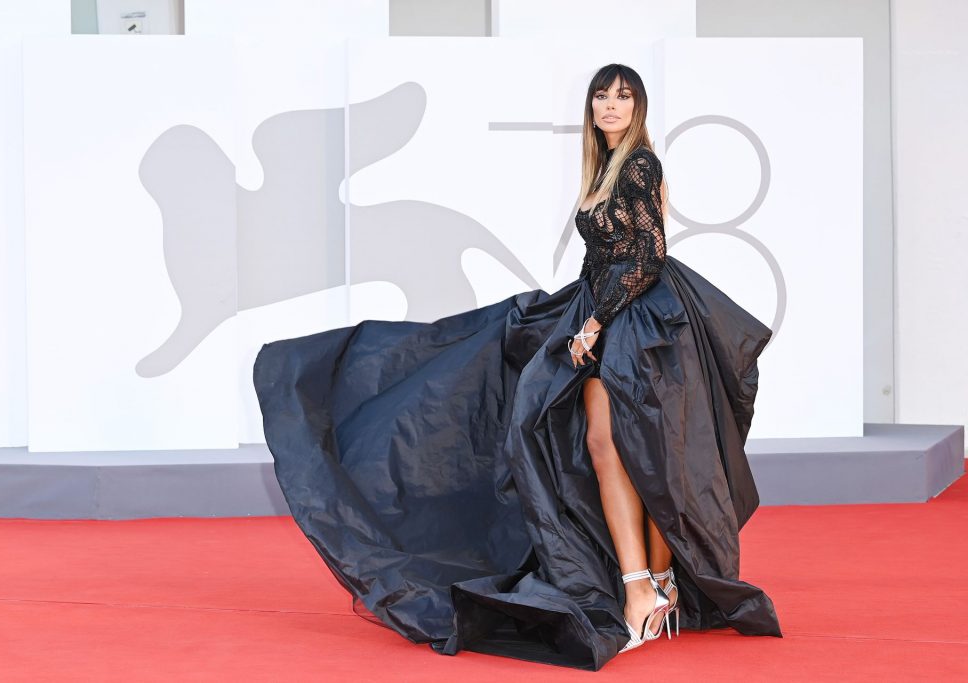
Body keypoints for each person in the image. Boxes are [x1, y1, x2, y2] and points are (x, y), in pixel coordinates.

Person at [253, 63, 782, 671]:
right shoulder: (605, 168)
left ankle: (654, 587)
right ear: (591, 108)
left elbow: (648, 256)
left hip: (643, 325)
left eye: (623, 96)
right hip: (606, 312)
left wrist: (595, 322)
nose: (611, 106)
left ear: (638, 107)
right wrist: (576, 314)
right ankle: (642, 584)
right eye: (602, 96)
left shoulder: (639, 164)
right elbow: (602, 259)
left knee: (646, 453)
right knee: (606, 445)